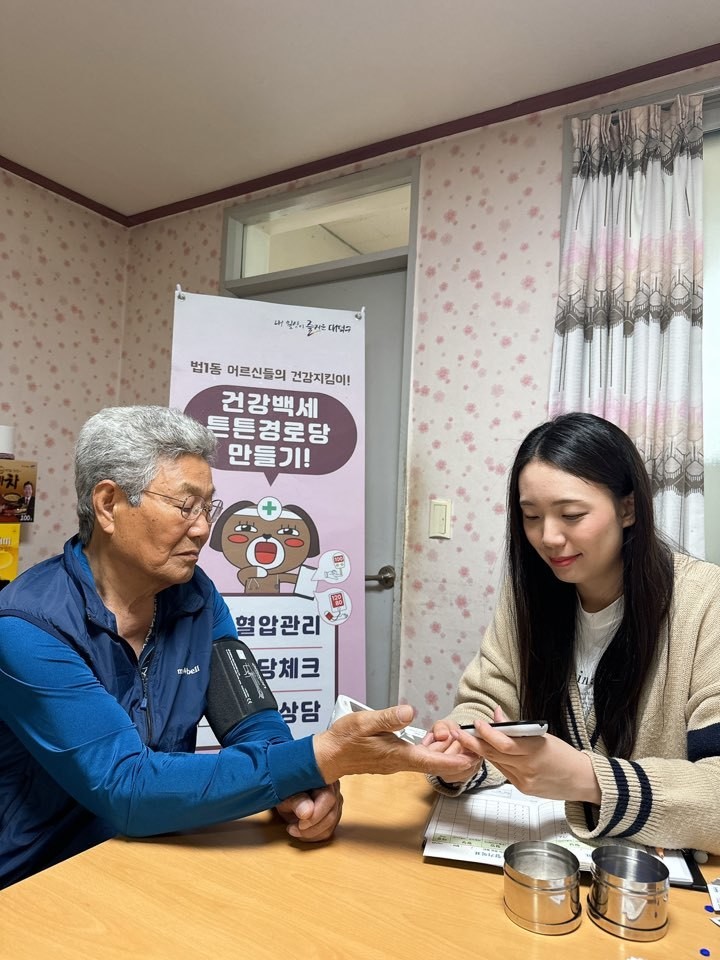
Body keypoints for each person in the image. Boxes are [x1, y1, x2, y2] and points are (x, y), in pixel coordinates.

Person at [0, 406, 476, 889]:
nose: (203, 529)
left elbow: (251, 720)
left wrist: (300, 790)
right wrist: (318, 758)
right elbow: (126, 788)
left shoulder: (195, 597)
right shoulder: (27, 627)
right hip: (41, 877)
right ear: (108, 504)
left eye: (209, 507)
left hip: (158, 855)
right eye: (186, 506)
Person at [424, 412, 720, 855]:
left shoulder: (705, 602)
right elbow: (487, 704)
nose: (548, 537)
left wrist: (586, 779)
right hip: (538, 860)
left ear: (627, 509)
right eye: (531, 516)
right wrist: (463, 753)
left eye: (571, 515)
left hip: (653, 879)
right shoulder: (530, 597)